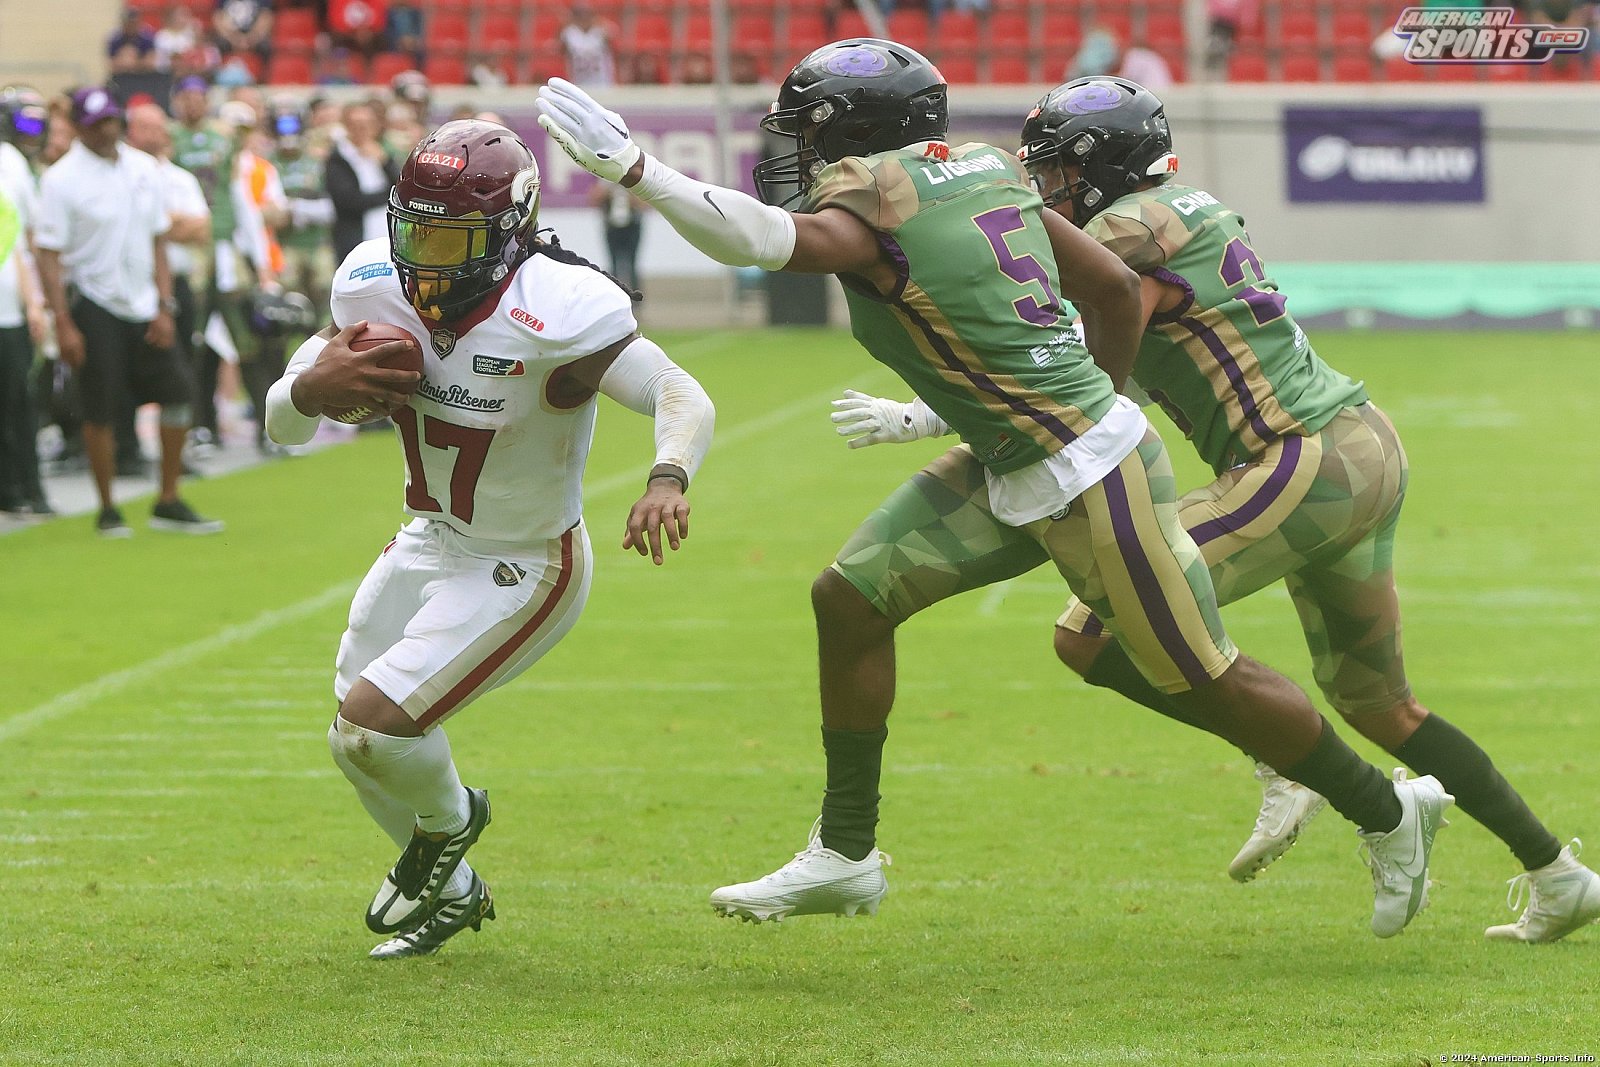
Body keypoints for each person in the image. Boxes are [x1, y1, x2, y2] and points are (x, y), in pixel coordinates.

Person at [536, 40, 1454, 939]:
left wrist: (639, 171)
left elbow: (766, 239)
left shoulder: (879, 199)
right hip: (1020, 454)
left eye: (813, 131)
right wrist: (1088, 395)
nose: (801, 151)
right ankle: (846, 851)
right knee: (851, 597)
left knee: (1207, 679)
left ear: (859, 132)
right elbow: (1109, 288)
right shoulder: (984, 167)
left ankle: (1388, 811)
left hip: (1092, 475)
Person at [831, 77, 1600, 944]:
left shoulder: (1125, 230)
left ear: (1101, 164)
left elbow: (1056, 353)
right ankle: (1558, 872)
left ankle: (1285, 756)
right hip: (1359, 445)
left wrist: (919, 416)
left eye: (1057, 170)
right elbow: (1099, 372)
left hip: (1297, 460)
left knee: (1092, 631)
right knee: (1382, 704)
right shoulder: (1176, 209)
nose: (1045, 187)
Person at [265, 119, 715, 958]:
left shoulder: (558, 309)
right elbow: (280, 427)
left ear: (508, 232)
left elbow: (681, 393)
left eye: (450, 239)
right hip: (427, 537)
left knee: (375, 723)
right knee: (354, 741)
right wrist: (308, 389)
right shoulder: (371, 284)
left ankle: (450, 822)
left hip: (525, 561)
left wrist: (667, 478)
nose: (425, 260)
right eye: (414, 233)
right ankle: (456, 889)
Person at [34, 88, 221, 536]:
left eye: (112, 121)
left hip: (144, 303)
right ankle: (107, 506)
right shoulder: (61, 179)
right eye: (96, 124)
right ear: (79, 128)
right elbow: (48, 255)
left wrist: (164, 305)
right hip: (93, 302)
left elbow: (157, 240)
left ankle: (168, 498)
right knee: (100, 407)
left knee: (178, 394)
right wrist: (63, 322)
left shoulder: (142, 168)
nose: (107, 130)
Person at [124, 102, 212, 468]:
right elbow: (130, 225)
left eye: (158, 126)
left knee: (182, 365)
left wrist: (158, 224)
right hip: (132, 282)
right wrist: (170, 223)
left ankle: (177, 454)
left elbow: (201, 228)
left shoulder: (179, 178)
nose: (153, 134)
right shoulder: (124, 174)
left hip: (177, 282)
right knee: (127, 365)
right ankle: (125, 449)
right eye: (144, 127)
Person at [0, 106, 53, 517]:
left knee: (19, 401)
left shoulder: (11, 162)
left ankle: (26, 489)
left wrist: (35, 300)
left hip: (9, 311)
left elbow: (21, 239)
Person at [325, 99, 398, 265]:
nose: (362, 129)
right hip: (355, 239)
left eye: (367, 124)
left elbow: (401, 187)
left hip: (386, 236)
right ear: (346, 126)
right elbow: (349, 201)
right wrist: (387, 196)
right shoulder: (338, 159)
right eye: (356, 124)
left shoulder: (383, 152)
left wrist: (385, 162)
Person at [589, 182, 643, 295]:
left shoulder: (633, 183)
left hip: (631, 227)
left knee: (632, 264)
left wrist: (629, 196)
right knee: (613, 264)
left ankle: (635, 297)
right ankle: (615, 294)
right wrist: (608, 192)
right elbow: (593, 200)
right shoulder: (606, 183)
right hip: (612, 227)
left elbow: (644, 204)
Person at [559, 4, 617, 88]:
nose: (584, 19)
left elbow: (614, 35)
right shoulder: (570, 33)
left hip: (602, 81)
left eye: (586, 15)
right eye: (580, 16)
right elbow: (560, 48)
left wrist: (599, 21)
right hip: (578, 81)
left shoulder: (601, 31)